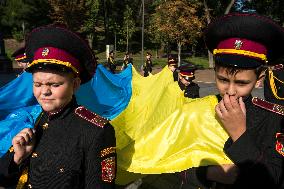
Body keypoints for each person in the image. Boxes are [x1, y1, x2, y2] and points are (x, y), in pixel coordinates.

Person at [0, 25, 116, 188]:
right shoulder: (36, 119)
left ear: (75, 84)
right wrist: (18, 158)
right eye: (37, 84)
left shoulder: (96, 131)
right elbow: (4, 179)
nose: (44, 92)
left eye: (54, 84)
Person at [180, 13, 284, 189]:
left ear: (259, 79)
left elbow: (275, 179)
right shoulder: (195, 110)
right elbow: (169, 163)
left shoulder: (272, 119)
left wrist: (239, 134)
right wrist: (207, 174)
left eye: (242, 83)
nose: (230, 91)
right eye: (222, 80)